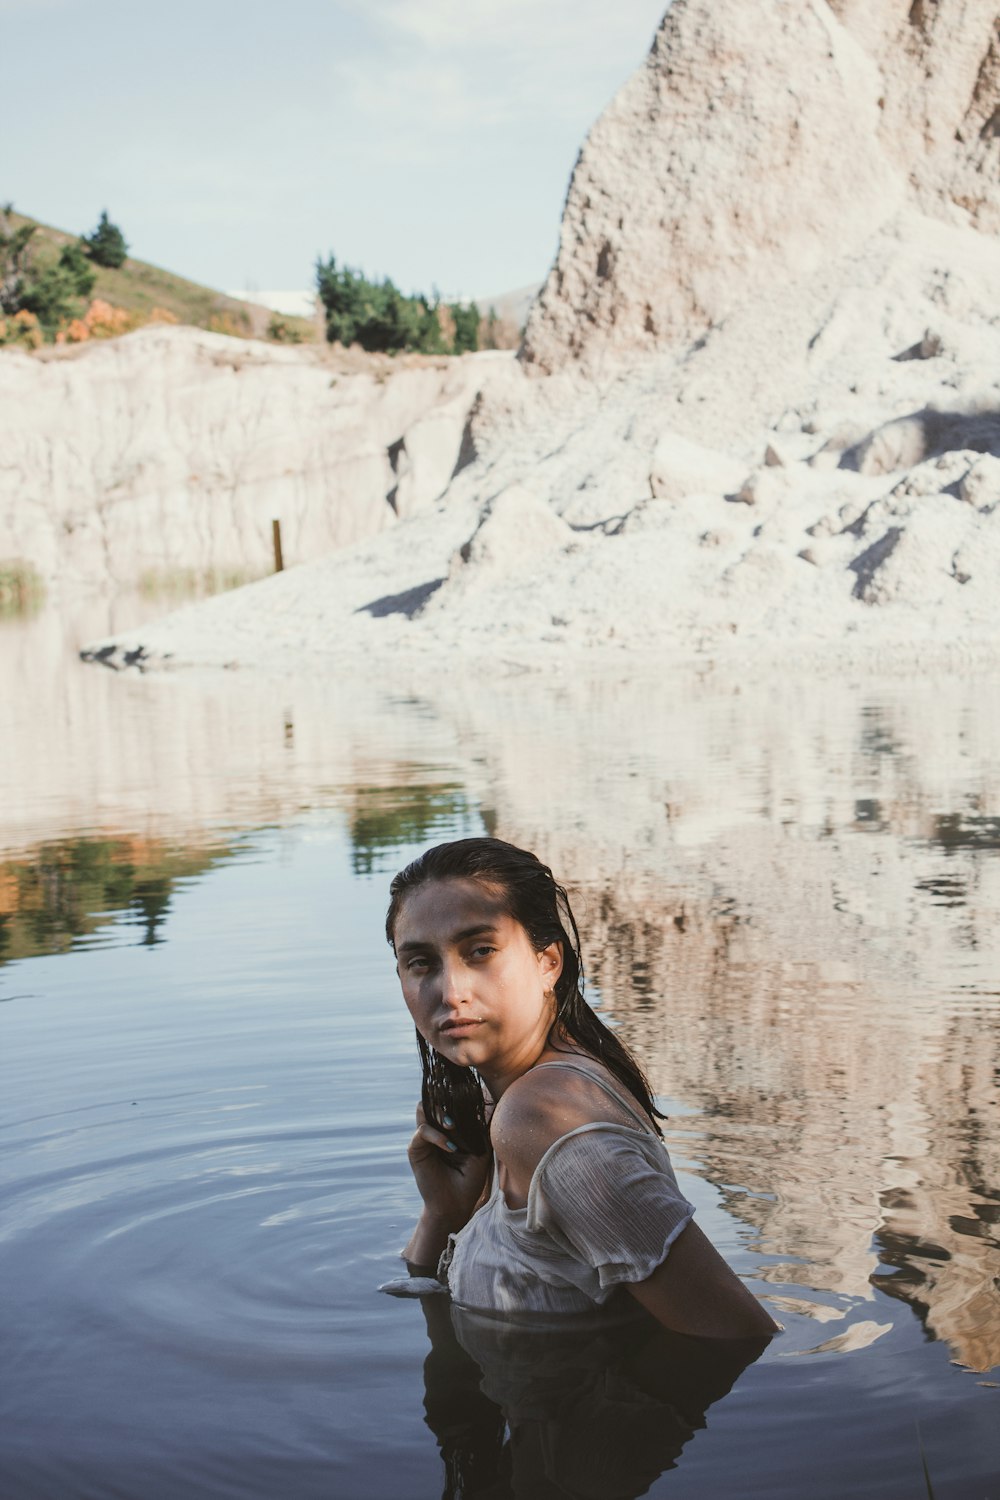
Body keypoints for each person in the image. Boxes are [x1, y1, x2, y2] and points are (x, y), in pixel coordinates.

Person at [387, 836, 779, 1340]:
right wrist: (444, 1212)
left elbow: (740, 1335)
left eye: (480, 951)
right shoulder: (517, 1098)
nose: (450, 991)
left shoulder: (542, 1119)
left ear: (548, 961)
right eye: (421, 962)